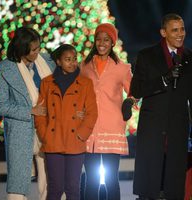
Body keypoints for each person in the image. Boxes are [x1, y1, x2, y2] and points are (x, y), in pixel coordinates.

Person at [130, 13, 192, 200]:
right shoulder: (147, 55)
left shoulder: (189, 58)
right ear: (163, 32)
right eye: (175, 30)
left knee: (174, 186)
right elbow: (137, 89)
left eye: (182, 29)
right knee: (150, 187)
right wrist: (164, 80)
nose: (180, 34)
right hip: (153, 128)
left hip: (177, 128)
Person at [0, 27, 55, 200]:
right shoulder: (7, 68)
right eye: (33, 49)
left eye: (38, 48)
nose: (38, 52)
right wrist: (29, 111)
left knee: (51, 182)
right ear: (22, 48)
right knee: (18, 186)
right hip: (21, 132)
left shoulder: (46, 61)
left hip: (48, 130)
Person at [34, 44, 98, 200]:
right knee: (55, 189)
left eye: (74, 59)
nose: (73, 63)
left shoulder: (85, 83)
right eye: (67, 59)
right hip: (53, 142)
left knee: (73, 188)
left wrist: (81, 135)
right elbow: (41, 113)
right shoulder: (47, 83)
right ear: (58, 61)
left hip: (75, 142)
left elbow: (92, 113)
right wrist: (45, 135)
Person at [81, 23, 133, 200]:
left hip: (112, 127)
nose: (101, 43)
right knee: (91, 181)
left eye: (106, 40)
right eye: (98, 39)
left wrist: (129, 101)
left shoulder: (122, 68)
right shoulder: (84, 66)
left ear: (112, 43)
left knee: (111, 180)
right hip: (89, 129)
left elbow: (134, 91)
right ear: (94, 41)